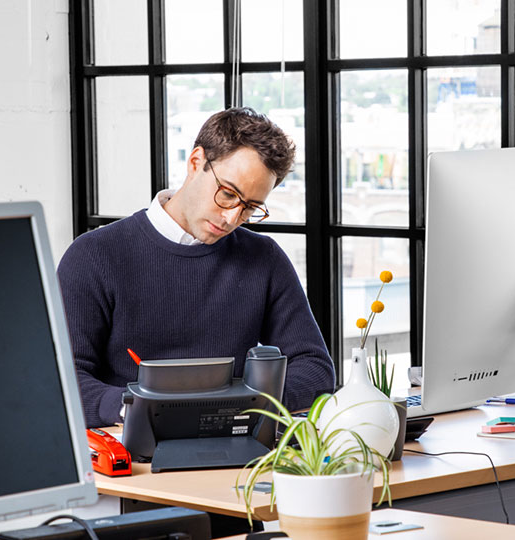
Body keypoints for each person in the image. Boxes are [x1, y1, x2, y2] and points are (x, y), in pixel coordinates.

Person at [58, 107, 335, 428]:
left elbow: (314, 367)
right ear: (195, 162)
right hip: (131, 451)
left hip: (236, 440)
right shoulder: (95, 255)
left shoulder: (263, 258)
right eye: (228, 194)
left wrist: (246, 405)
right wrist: (135, 409)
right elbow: (63, 378)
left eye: (250, 208)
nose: (232, 218)